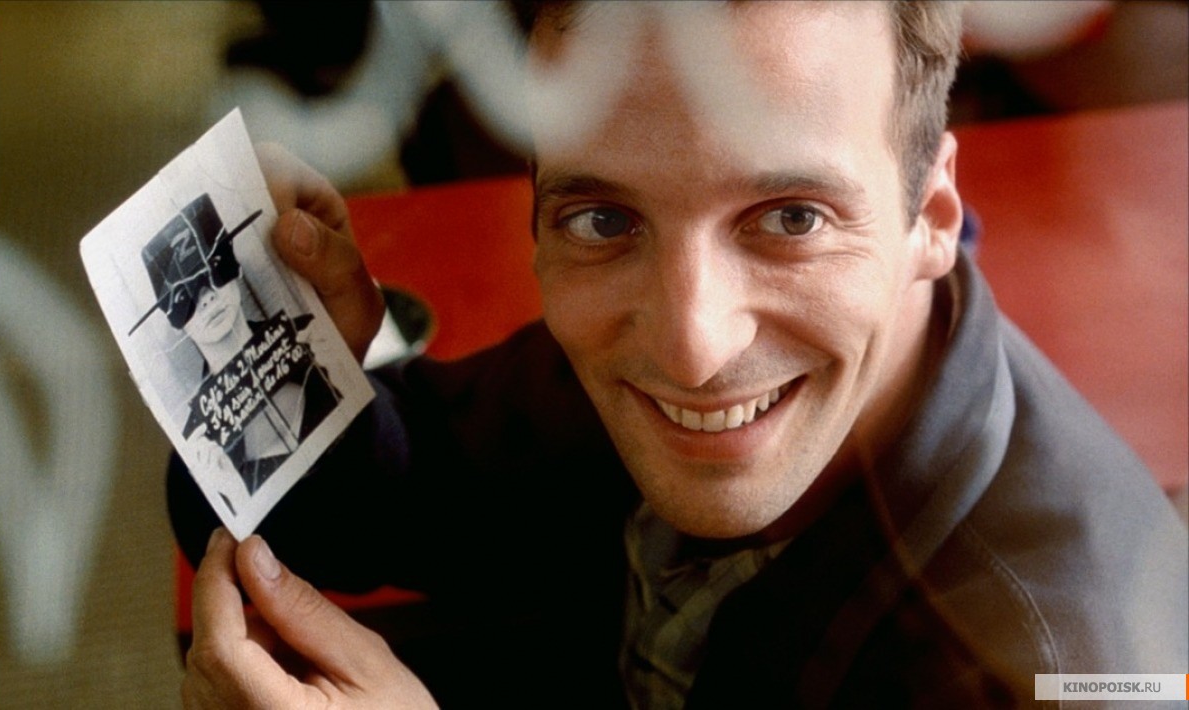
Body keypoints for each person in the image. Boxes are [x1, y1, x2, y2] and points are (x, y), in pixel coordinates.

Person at [171, 2, 1188, 707]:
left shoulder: (1062, 668)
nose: (691, 346)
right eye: (604, 218)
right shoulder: (619, 343)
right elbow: (398, 500)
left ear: (931, 215)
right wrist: (294, 357)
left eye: (791, 217)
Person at [142, 193, 341, 497]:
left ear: (234, 267)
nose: (206, 297)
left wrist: (347, 369)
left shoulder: (313, 335)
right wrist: (231, 497)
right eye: (185, 296)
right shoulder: (199, 443)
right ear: (174, 319)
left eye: (213, 270)